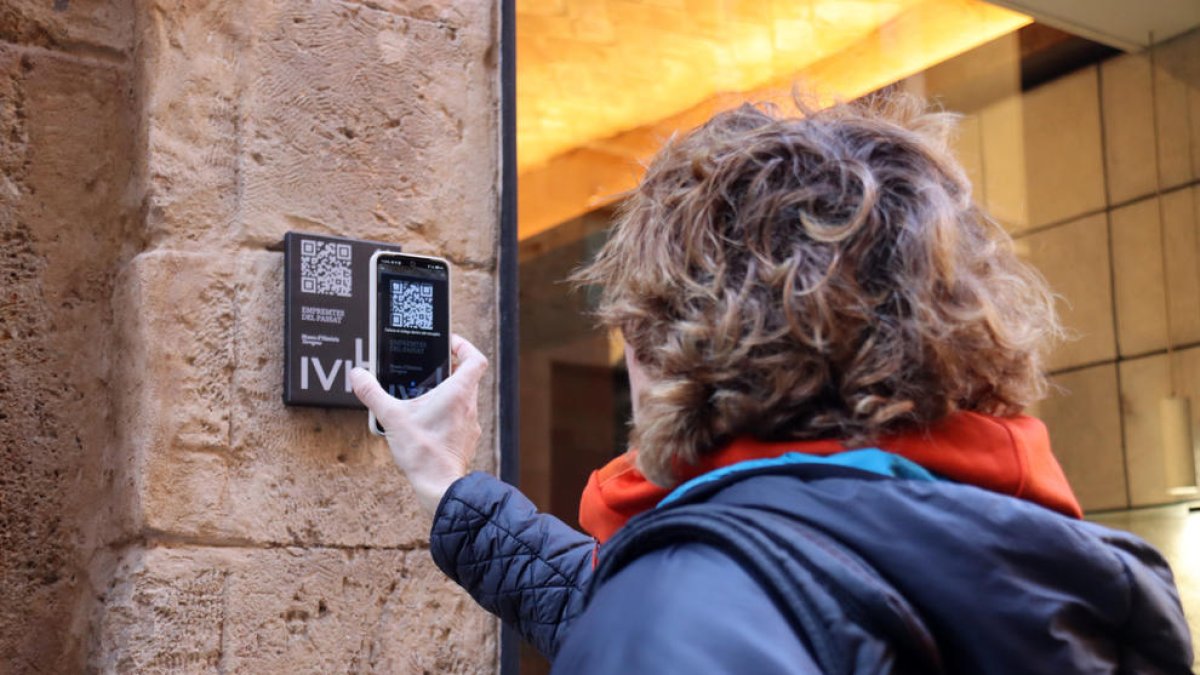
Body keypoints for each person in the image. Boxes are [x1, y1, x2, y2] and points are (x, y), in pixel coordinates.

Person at [349, 95, 1195, 674]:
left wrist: (651, 608)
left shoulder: (684, 609)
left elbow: (701, 625)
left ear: (675, 346)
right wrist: (452, 486)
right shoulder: (1054, 567)